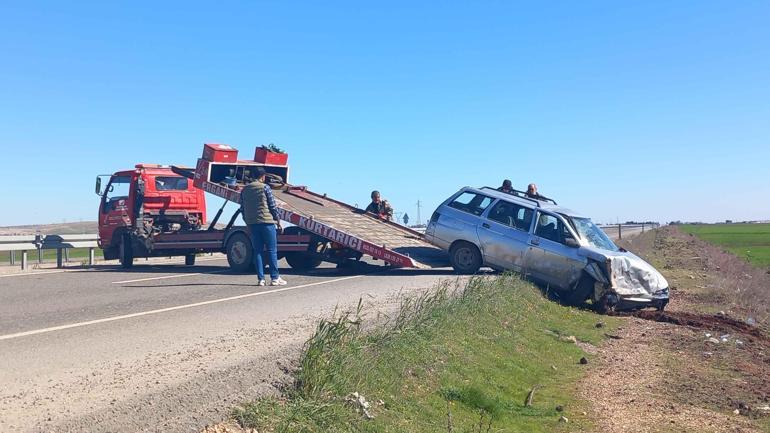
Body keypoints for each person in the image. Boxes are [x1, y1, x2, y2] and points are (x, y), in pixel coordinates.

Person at [241, 167, 287, 286]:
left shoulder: (244, 189)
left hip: (253, 224)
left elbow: (242, 208)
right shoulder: (265, 187)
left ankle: (261, 279)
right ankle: (275, 278)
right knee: (271, 250)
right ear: (263, 177)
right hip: (267, 223)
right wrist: (278, 220)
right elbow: (272, 206)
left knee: (258, 251)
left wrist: (247, 222)